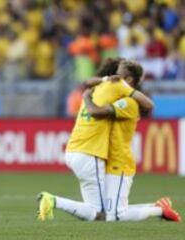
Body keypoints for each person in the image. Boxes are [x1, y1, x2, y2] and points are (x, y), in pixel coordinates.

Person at [37, 58, 153, 221]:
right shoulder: (118, 88)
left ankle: (156, 208)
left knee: (107, 210)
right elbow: (148, 104)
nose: (116, 77)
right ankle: (54, 201)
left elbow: (86, 82)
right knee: (101, 213)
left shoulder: (97, 89)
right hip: (90, 154)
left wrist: (89, 93)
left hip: (73, 151)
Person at [81, 60, 181, 222]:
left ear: (129, 80)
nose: (116, 75)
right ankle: (157, 206)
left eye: (119, 73)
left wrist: (86, 98)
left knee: (115, 216)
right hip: (110, 158)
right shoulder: (118, 94)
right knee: (111, 211)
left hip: (120, 160)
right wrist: (105, 80)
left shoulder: (128, 102)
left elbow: (96, 111)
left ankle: (158, 210)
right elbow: (86, 82)